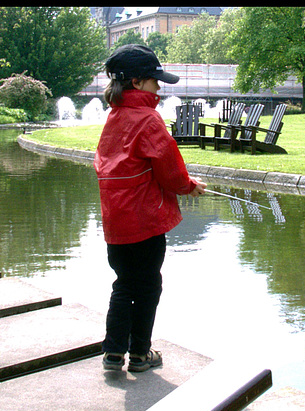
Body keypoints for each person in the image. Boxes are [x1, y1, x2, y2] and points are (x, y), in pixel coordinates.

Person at [95, 44, 207, 372]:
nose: (159, 87)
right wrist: (189, 186)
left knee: (124, 284)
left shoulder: (113, 117)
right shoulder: (148, 119)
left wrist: (181, 182)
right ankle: (141, 354)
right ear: (138, 83)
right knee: (148, 286)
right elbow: (170, 170)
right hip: (144, 222)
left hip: (116, 223)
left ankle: (113, 352)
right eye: (155, 80)